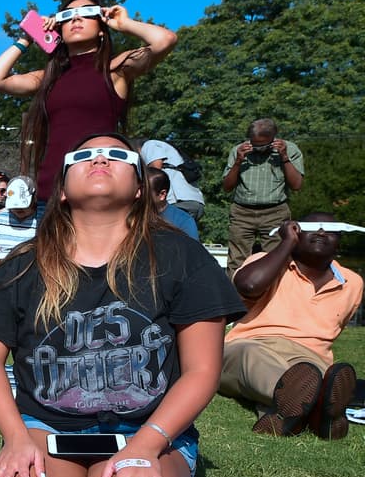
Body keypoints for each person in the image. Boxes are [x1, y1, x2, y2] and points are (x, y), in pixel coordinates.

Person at [0, 133, 245, 477]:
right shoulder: (23, 263)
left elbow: (202, 370)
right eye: (83, 155)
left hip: (149, 432)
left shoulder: (181, 256)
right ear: (62, 188)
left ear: (139, 186)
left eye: (118, 155)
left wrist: (146, 447)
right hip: (48, 428)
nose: (100, 158)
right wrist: (16, 438)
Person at [0, 0, 177, 203]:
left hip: (100, 187)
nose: (76, 18)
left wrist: (124, 24)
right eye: (67, 15)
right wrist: (28, 38)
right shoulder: (48, 77)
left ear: (101, 27)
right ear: (59, 29)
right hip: (52, 191)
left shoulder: (115, 69)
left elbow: (165, 40)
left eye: (86, 12)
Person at [219, 213, 361, 440]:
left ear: (340, 240)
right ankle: (319, 409)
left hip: (309, 359)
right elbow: (249, 285)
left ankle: (289, 413)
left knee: (314, 373)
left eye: (331, 229)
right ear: (294, 230)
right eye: (312, 228)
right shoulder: (265, 260)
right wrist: (286, 244)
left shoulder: (352, 282)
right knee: (253, 357)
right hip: (251, 344)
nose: (322, 232)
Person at [221, 118, 304, 275]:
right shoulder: (239, 150)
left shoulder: (290, 149)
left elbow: (297, 185)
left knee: (276, 258)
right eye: (254, 145)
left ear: (273, 138)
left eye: (263, 145)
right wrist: (238, 161)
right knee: (236, 260)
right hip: (242, 212)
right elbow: (227, 187)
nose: (258, 149)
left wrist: (284, 157)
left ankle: (274, 295)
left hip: (275, 212)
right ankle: (235, 295)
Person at [139, 138, 203, 224]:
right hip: (194, 202)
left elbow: (155, 172)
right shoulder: (169, 149)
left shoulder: (149, 144)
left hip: (178, 202)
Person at [0, 175, 38, 269]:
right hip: (3, 266)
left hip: (31, 267)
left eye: (22, 206)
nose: (18, 209)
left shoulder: (41, 219)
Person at [148, 167, 199, 240]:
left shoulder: (183, 222)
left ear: (162, 194)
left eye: (145, 192)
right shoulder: (131, 216)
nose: (138, 194)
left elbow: (192, 250)